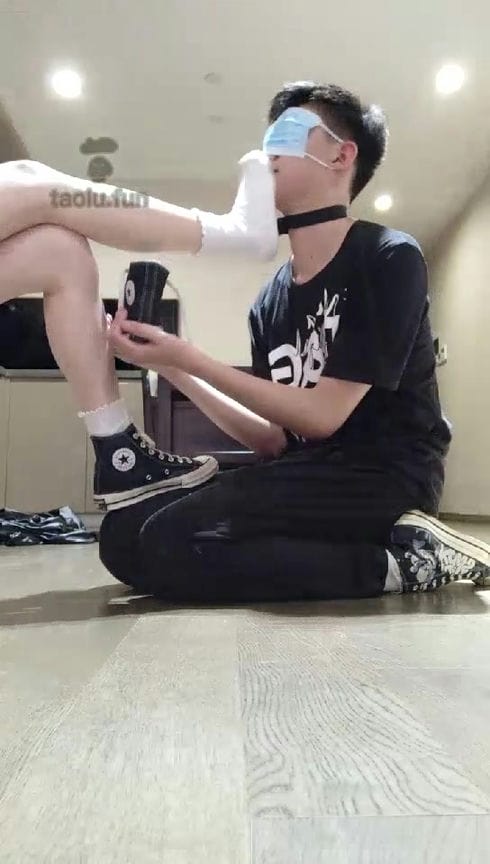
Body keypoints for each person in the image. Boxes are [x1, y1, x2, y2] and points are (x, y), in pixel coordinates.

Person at [0, 81, 488, 599]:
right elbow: (274, 439)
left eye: (291, 131)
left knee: (168, 539)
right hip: (307, 471)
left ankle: (404, 562)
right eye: (268, 135)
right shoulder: (270, 300)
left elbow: (323, 415)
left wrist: (191, 358)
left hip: (385, 476)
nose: (269, 149)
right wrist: (172, 365)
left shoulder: (388, 257)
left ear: (342, 156)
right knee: (122, 538)